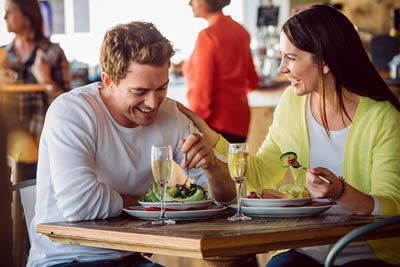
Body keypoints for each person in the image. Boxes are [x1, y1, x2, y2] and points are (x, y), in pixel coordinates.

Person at [178, 5, 400, 267]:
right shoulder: (292, 105)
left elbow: (392, 206)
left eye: (291, 58)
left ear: (325, 61)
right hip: (305, 249)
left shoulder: (383, 118)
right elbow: (259, 175)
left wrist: (339, 192)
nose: (282, 68)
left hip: (367, 255)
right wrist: (212, 137)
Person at [27, 21, 235, 267]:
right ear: (108, 80)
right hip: (65, 258)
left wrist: (211, 167)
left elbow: (226, 199)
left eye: (162, 88)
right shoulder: (72, 112)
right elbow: (80, 205)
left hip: (130, 256)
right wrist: (148, 207)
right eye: (139, 91)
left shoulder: (171, 114)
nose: (153, 102)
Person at [1, 0, 71, 163]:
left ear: (27, 15)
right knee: (26, 152)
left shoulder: (53, 53)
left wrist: (46, 80)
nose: (4, 17)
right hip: (11, 130)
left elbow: (68, 105)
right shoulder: (2, 55)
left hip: (47, 129)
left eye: (9, 11)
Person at [183, 0, 259, 143]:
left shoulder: (208, 37)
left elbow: (202, 92)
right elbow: (252, 80)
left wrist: (193, 125)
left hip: (215, 124)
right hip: (240, 121)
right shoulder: (241, 32)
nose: (189, 3)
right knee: (235, 165)